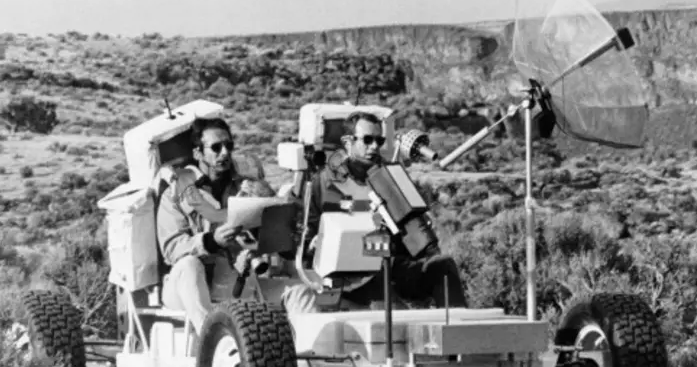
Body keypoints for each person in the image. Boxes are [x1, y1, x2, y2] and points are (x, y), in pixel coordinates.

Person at [155, 117, 316, 339]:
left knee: (300, 293)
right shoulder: (174, 194)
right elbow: (172, 248)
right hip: (189, 287)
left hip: (239, 280)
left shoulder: (248, 188)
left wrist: (285, 231)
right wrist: (211, 241)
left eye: (228, 146)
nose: (224, 153)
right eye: (216, 147)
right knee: (189, 265)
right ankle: (212, 344)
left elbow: (275, 238)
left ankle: (308, 363)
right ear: (198, 153)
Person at [297, 111, 468, 310]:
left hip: (392, 265)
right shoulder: (323, 183)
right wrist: (314, 243)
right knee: (393, 311)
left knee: (443, 266)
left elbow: (417, 234)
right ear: (348, 141)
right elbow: (305, 235)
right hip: (351, 276)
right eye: (367, 140)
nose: (374, 146)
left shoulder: (391, 177)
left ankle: (456, 332)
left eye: (379, 140)